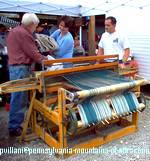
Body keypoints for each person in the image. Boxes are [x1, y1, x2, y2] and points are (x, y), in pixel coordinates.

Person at [6, 13, 47, 137]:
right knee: (19, 98)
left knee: (20, 96)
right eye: (36, 25)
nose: (36, 27)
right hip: (21, 69)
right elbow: (33, 53)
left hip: (16, 68)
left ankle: (24, 121)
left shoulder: (15, 31)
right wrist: (49, 61)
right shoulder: (24, 33)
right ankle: (14, 127)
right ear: (32, 24)